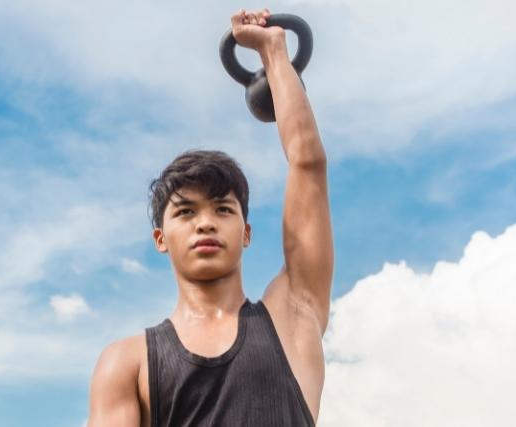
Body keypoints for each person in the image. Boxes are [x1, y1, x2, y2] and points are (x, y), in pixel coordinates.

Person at [87, 8, 333, 427]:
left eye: (223, 208)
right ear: (161, 237)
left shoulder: (292, 317)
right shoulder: (126, 365)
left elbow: (307, 164)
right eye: (185, 212)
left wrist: (274, 51)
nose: (206, 223)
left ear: (246, 233)